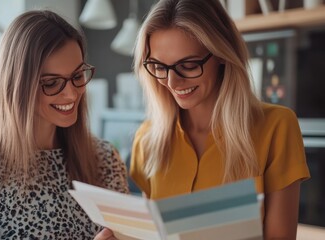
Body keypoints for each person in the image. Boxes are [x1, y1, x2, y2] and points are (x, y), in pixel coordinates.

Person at [96, 0, 310, 239]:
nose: (172, 82)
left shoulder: (277, 127)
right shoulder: (147, 139)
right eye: (158, 66)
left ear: (221, 53)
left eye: (188, 65)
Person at [0, 10, 128, 239]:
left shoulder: (104, 159)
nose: (72, 94)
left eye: (77, 76)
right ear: (17, 85)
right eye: (52, 83)